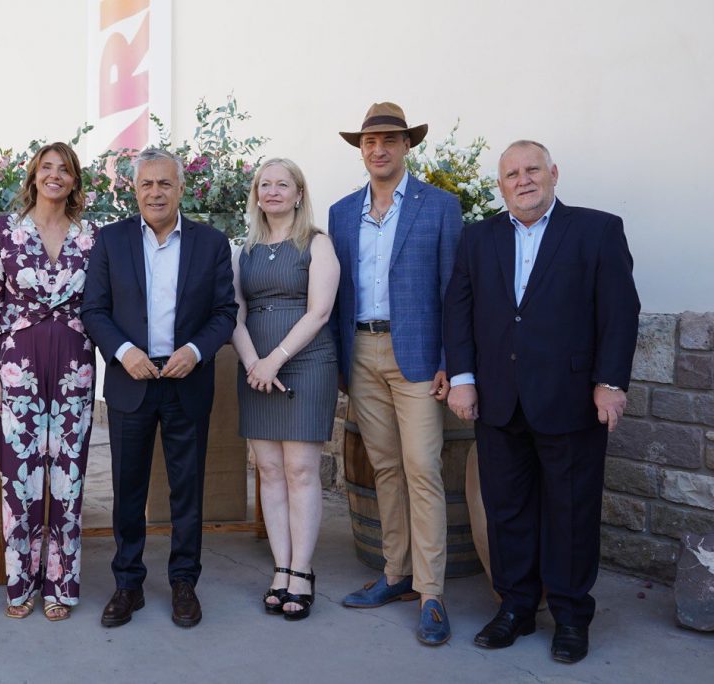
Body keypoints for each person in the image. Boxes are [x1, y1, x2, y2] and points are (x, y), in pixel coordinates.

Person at [444, 140, 639, 663]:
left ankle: (572, 617)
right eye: (511, 174)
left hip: (571, 399)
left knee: (571, 512)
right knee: (506, 511)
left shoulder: (597, 230)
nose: (523, 180)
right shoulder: (477, 238)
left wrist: (610, 383)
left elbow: (620, 312)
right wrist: (462, 379)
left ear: (553, 173)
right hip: (498, 400)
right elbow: (458, 311)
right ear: (500, 185)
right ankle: (516, 607)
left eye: (532, 169)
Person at [82, 148, 237, 629]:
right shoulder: (111, 241)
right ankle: (128, 583)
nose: (155, 192)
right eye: (146, 184)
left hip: (186, 380)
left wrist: (196, 351)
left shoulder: (211, 243)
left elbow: (225, 313)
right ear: (134, 190)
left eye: (165, 183)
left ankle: (184, 582)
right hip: (131, 380)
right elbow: (94, 310)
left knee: (186, 489)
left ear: (181, 189)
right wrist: (123, 352)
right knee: (128, 488)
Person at [329, 102, 462, 645]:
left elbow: (455, 290)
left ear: (407, 145)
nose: (378, 149)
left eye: (389, 139)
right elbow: (337, 292)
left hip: (419, 357)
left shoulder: (440, 207)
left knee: (422, 468)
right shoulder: (342, 213)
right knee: (385, 468)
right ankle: (396, 574)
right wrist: (340, 360)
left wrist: (452, 361)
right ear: (361, 150)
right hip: (361, 352)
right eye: (369, 141)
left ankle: (431, 593)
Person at [0, 143, 96, 621]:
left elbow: (100, 303)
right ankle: (21, 584)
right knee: (19, 477)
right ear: (33, 176)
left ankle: (61, 585)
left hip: (74, 363)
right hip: (17, 363)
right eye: (46, 167)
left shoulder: (91, 236)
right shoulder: (4, 230)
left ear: (74, 181)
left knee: (68, 476)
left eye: (64, 169)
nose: (55, 175)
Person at [230, 158, 339, 621]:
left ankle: (302, 571)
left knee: (300, 470)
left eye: (282, 184)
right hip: (256, 367)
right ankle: (280, 568)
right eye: (265, 184)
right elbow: (234, 312)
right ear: (256, 195)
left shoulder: (317, 243)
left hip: (306, 364)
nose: (272, 191)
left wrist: (275, 359)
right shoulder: (244, 251)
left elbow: (319, 312)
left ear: (299, 193)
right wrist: (253, 363)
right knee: (270, 470)